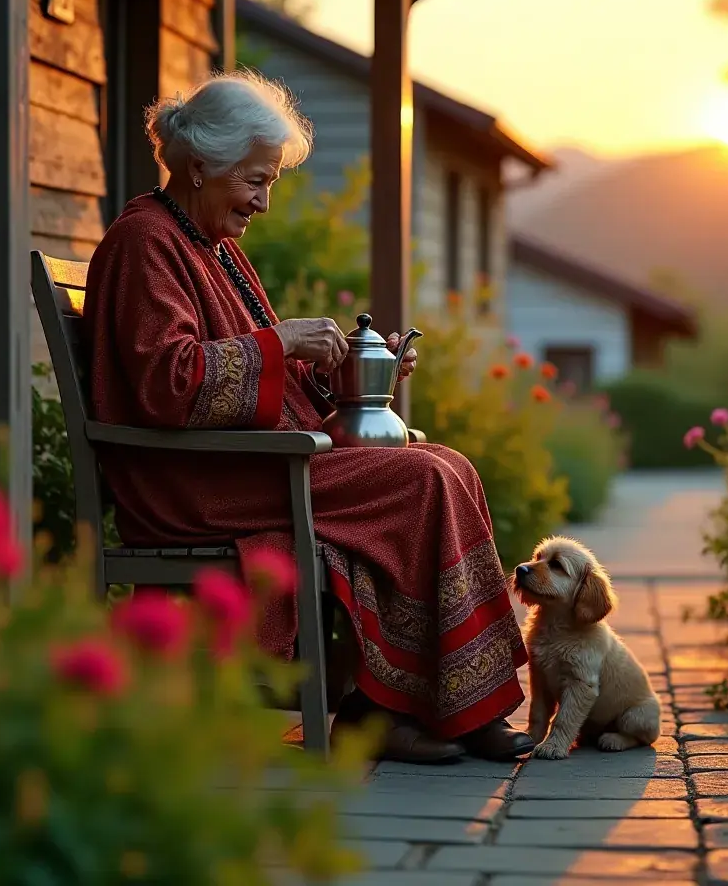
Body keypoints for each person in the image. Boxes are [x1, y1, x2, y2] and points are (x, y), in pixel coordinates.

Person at [82, 72, 533, 764]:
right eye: (255, 182)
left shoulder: (209, 246)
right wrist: (281, 340)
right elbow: (165, 385)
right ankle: (399, 710)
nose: (263, 203)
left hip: (247, 461)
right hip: (194, 482)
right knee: (422, 482)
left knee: (444, 463)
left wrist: (342, 376)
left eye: (270, 185)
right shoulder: (144, 243)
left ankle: (414, 704)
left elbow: (256, 372)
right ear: (200, 165)